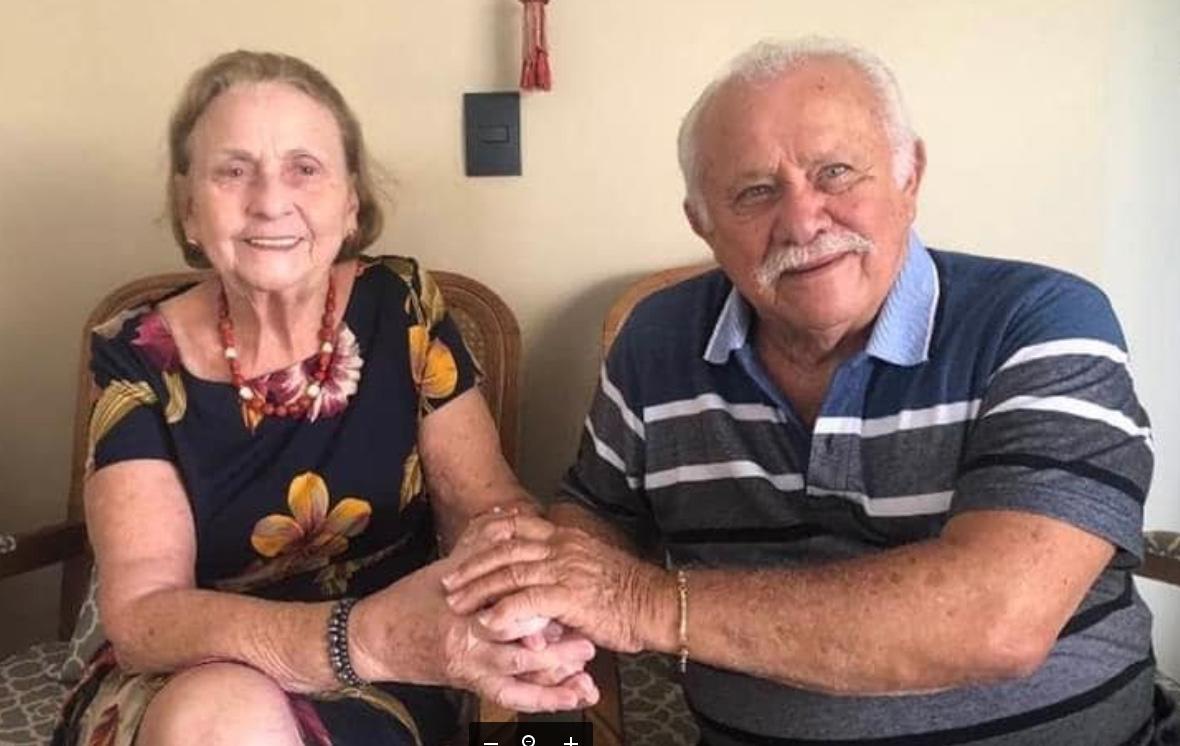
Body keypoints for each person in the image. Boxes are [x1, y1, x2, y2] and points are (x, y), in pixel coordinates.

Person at [441, 38, 1178, 744]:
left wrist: (645, 604)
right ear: (702, 223)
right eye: (755, 192)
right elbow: (595, 516)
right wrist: (547, 616)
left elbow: (998, 621)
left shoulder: (1040, 321)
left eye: (836, 173)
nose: (801, 220)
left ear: (910, 177)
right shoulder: (656, 342)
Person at [53, 50, 597, 746]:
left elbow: (482, 501)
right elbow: (144, 616)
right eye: (233, 171)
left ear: (350, 204)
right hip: (189, 671)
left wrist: (521, 599)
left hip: (397, 665)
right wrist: (356, 637)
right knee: (220, 716)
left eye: (304, 169)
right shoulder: (135, 356)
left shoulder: (401, 307)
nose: (269, 200)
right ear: (189, 209)